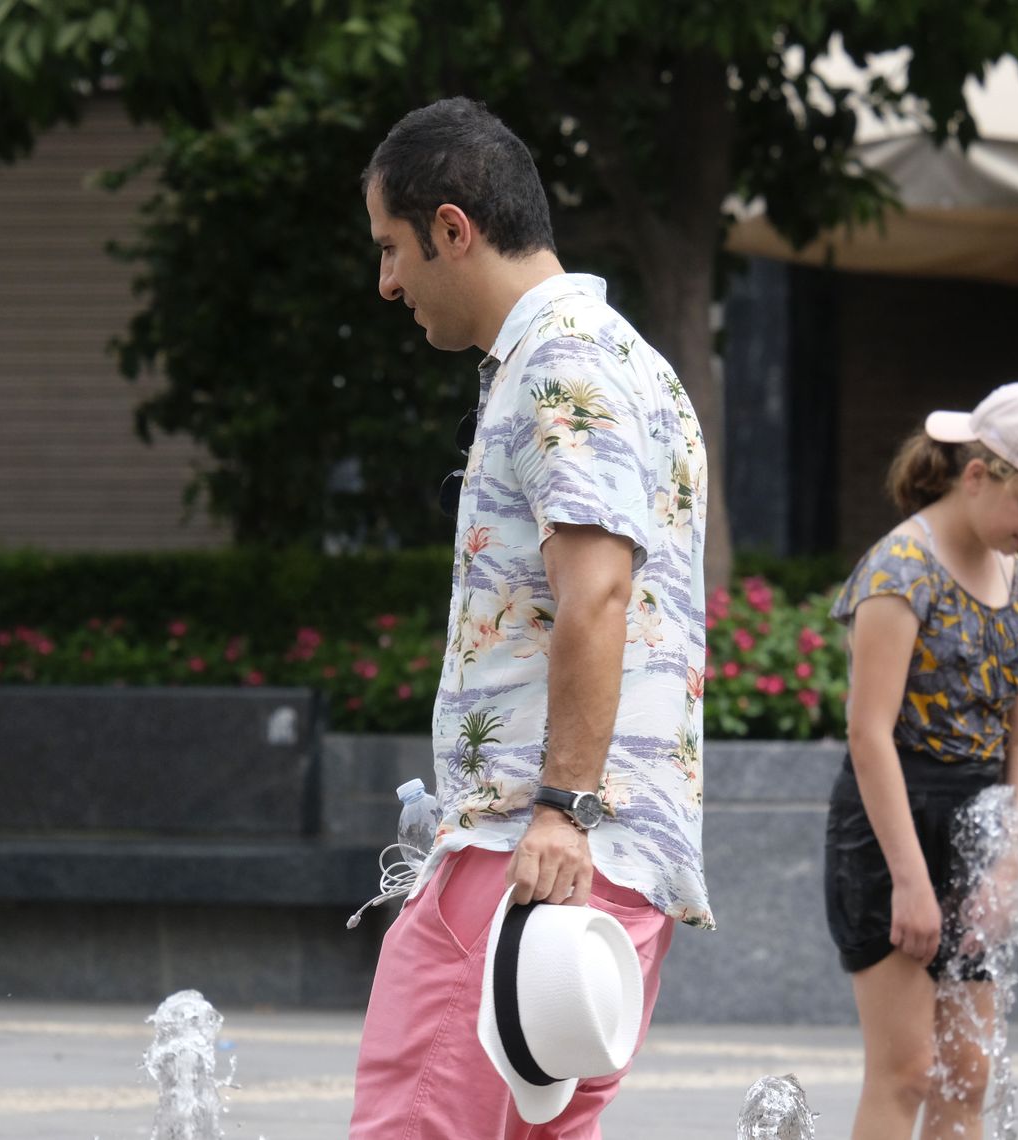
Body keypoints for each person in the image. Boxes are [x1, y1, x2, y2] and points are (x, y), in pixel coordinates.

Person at [351, 97, 711, 1140]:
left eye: (391, 248)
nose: (386, 283)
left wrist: (562, 807)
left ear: (452, 229)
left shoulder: (561, 362)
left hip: (533, 850)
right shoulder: (633, 362)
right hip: (609, 866)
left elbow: (595, 589)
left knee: (412, 1127)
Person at [823, 382, 1018, 1140]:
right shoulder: (901, 571)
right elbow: (869, 734)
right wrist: (911, 881)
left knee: (968, 1075)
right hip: (891, 829)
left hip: (979, 825)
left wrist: (1010, 865)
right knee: (906, 1072)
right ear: (977, 476)